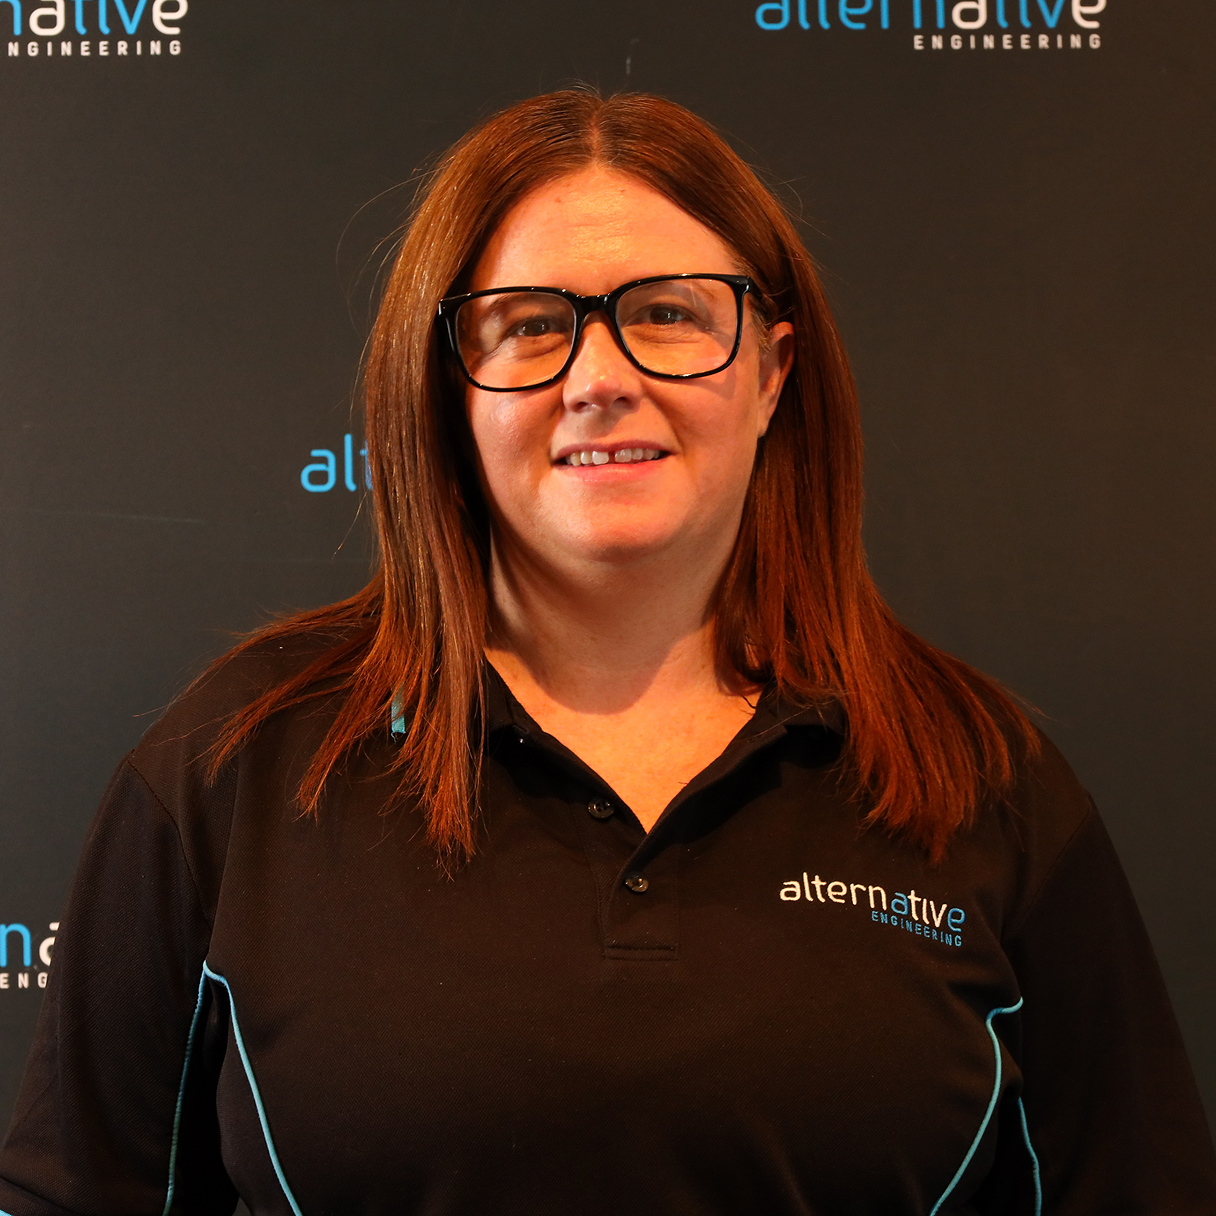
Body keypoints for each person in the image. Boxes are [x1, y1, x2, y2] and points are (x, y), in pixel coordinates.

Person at [1, 88, 1213, 1216]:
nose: (599, 378)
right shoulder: (239, 766)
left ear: (772, 372)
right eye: (530, 326)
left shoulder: (976, 776)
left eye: (668, 314)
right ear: (447, 389)